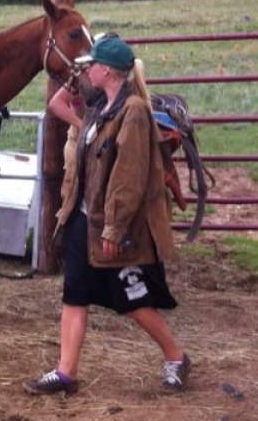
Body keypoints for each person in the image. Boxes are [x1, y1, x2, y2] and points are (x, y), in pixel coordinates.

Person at [25, 34, 189, 395]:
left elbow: (127, 178)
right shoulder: (101, 106)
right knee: (74, 293)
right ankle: (66, 372)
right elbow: (62, 101)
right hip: (84, 219)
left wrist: (114, 229)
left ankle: (176, 357)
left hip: (114, 225)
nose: (88, 71)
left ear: (108, 71)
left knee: (131, 300)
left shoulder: (132, 112)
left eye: (92, 65)